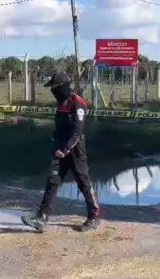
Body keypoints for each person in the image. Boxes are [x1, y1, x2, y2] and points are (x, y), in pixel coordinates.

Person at [22, 73, 101, 232]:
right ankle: (42, 217)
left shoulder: (78, 103)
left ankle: (94, 216)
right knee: (52, 182)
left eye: (54, 87)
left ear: (63, 86)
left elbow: (77, 132)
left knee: (83, 183)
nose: (53, 90)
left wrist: (65, 149)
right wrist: (56, 143)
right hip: (59, 149)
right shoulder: (60, 104)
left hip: (75, 150)